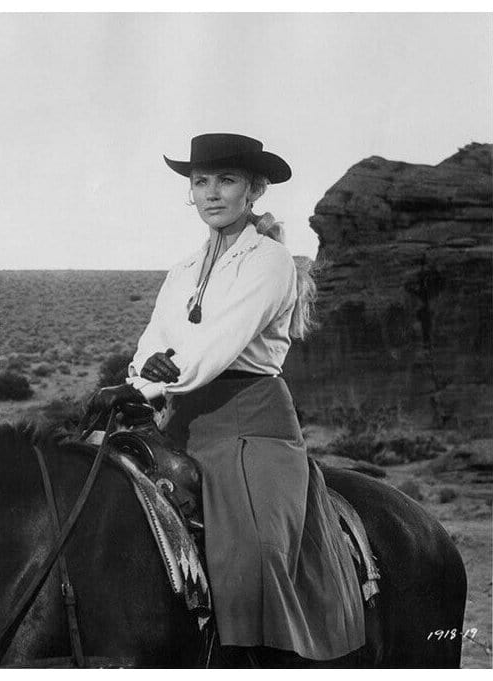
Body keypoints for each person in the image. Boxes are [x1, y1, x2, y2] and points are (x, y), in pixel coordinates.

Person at [93, 134, 365, 663]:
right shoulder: (180, 273)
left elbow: (217, 343)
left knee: (252, 552)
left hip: (251, 423)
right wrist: (134, 386)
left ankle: (260, 661)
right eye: (201, 182)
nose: (211, 193)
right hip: (181, 418)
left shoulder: (271, 262)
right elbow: (155, 341)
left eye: (226, 180)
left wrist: (155, 380)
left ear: (255, 189)